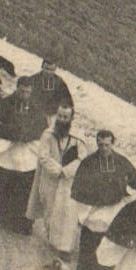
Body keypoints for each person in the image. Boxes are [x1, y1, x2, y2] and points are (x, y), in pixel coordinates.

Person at [70, 131, 136, 270]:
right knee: (88, 255)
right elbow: (77, 188)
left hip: (113, 214)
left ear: (113, 143)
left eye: (107, 145)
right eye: (100, 145)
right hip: (93, 216)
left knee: (108, 257)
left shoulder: (121, 162)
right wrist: (84, 213)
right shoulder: (88, 163)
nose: (103, 148)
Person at [0, 75, 48, 234]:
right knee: (5, 188)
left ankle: (24, 224)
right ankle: (5, 220)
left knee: (25, 190)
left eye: (28, 92)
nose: (25, 95)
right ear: (17, 88)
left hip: (27, 156)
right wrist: (12, 133)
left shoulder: (36, 107)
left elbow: (43, 130)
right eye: (22, 91)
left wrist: (28, 134)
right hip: (8, 154)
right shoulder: (5, 104)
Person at [27, 103, 83, 257]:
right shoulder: (48, 134)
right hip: (50, 179)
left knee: (67, 213)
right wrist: (57, 170)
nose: (62, 119)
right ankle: (52, 243)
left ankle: (64, 247)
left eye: (65, 117)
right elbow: (43, 156)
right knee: (50, 211)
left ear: (71, 118)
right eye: (60, 116)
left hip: (68, 181)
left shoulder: (78, 137)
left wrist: (66, 171)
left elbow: (82, 159)